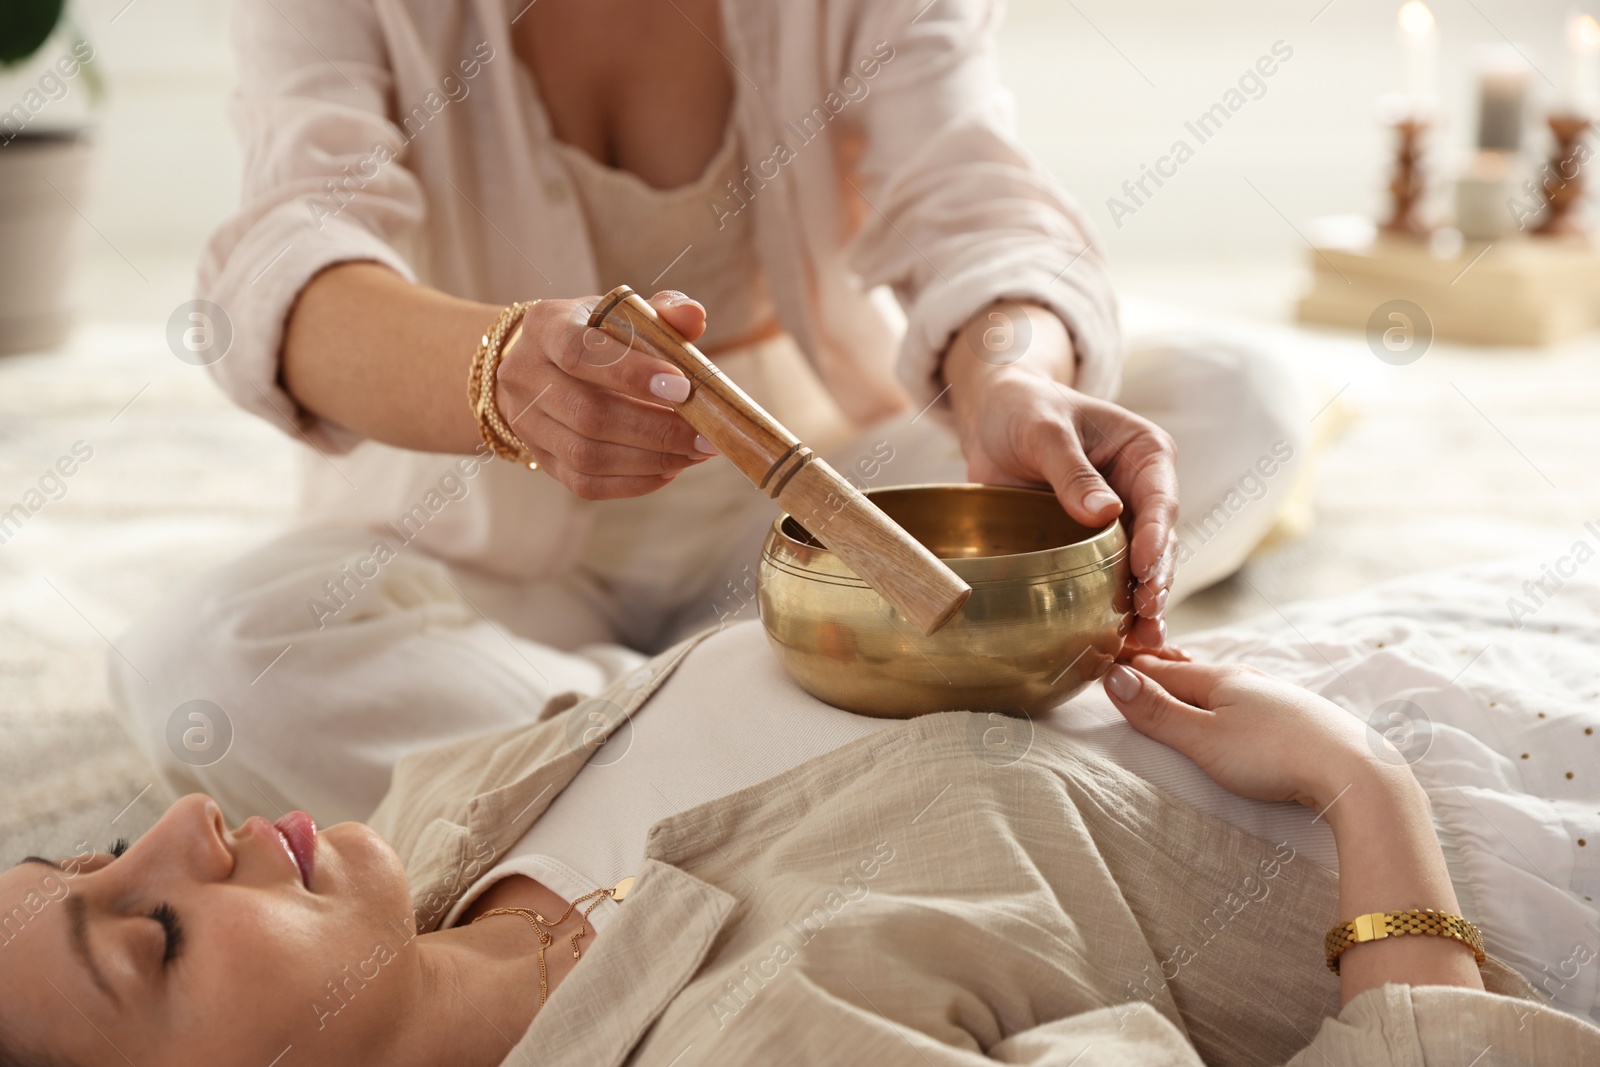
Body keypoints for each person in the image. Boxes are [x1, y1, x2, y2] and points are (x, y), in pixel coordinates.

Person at [111, 0, 1309, 827]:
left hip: (810, 517)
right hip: (475, 542)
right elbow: (285, 253)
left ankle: (638, 754)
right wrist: (497, 373)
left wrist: (1008, 378)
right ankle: (823, 723)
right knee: (214, 664)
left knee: (1233, 397)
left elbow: (972, 199)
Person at [7, 626, 1596, 1066]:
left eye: (89, 850)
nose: (179, 825)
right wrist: (1361, 790)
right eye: (146, 933)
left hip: (1392, 633)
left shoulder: (434, 819)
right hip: (1514, 852)